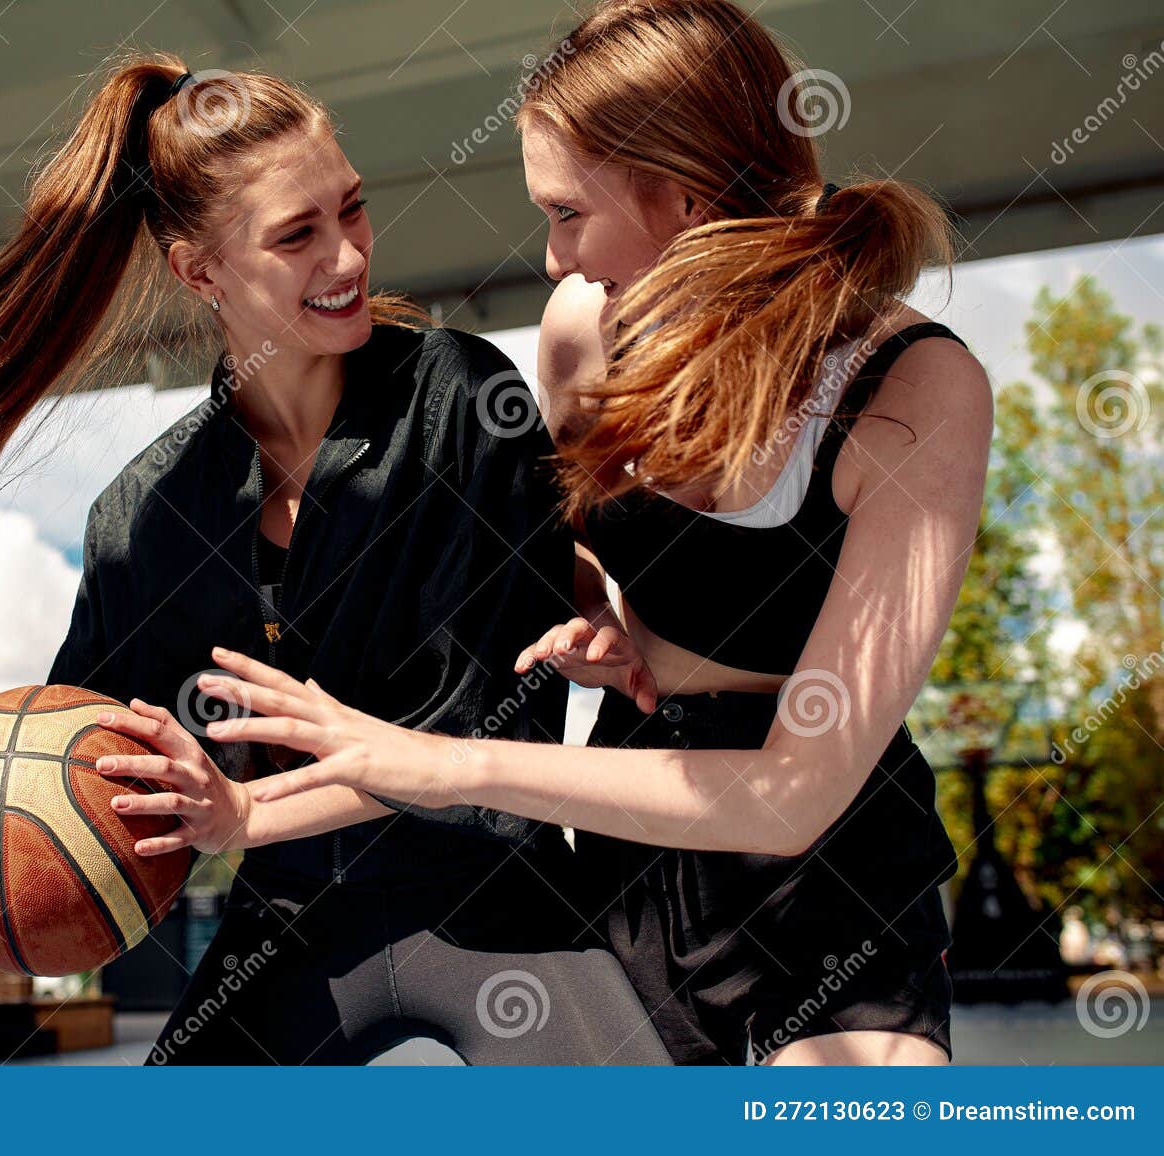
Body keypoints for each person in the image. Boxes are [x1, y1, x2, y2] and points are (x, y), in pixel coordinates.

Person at [0, 53, 668, 1065]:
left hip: (493, 891)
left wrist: (241, 811)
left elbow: (477, 724)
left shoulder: (459, 402)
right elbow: (88, 768)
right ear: (199, 272)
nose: (350, 257)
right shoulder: (142, 516)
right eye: (297, 236)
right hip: (288, 920)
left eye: (350, 210)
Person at [195, 0, 993, 1067]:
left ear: (683, 191)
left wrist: (449, 764)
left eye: (567, 210)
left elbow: (792, 795)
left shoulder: (910, 390)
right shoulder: (583, 331)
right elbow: (592, 546)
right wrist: (599, 609)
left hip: (828, 866)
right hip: (635, 841)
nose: (553, 251)